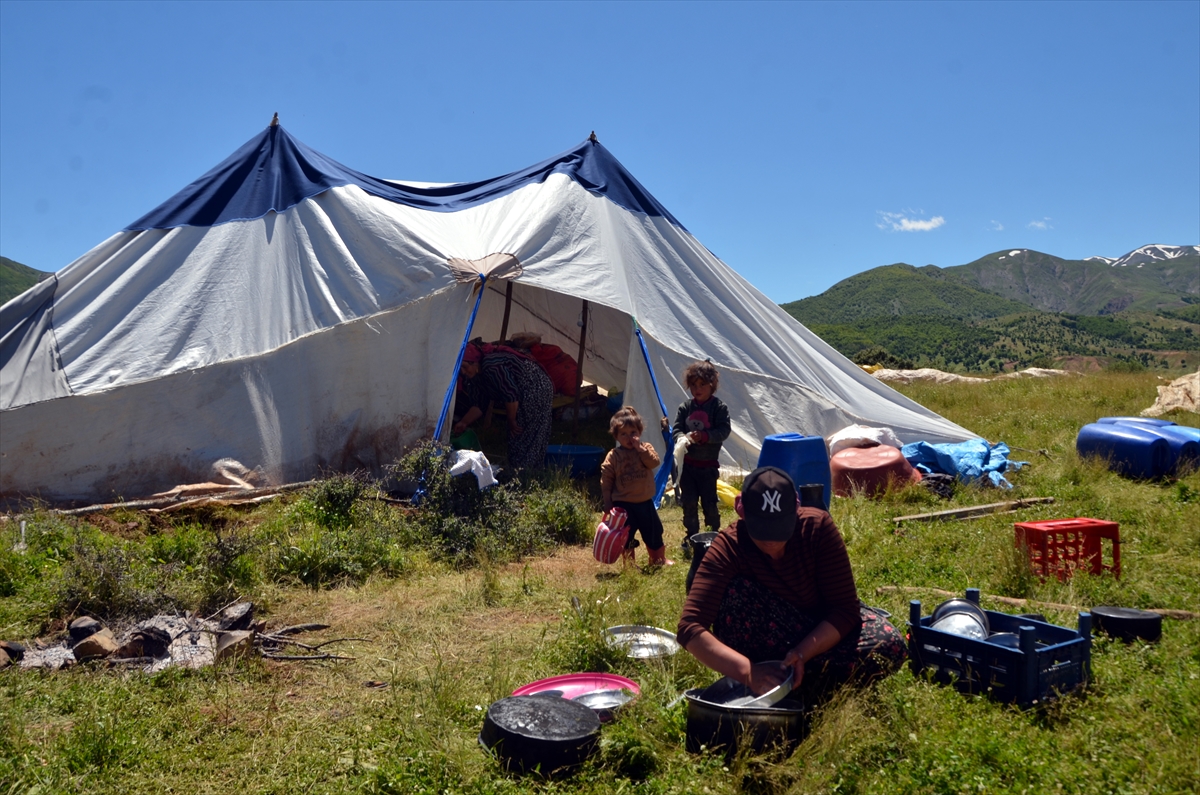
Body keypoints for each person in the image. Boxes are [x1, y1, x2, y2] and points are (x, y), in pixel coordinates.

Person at [676, 466, 906, 703]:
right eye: (762, 530)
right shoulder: (728, 547)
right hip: (764, 642)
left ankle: (798, 681)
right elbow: (690, 627)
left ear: (796, 512)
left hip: (816, 632)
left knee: (890, 644)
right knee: (733, 592)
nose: (771, 540)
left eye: (779, 529)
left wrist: (801, 653)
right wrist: (749, 672)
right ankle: (777, 679)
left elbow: (845, 609)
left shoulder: (817, 528)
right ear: (741, 511)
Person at [451, 341, 554, 472]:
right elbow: (479, 404)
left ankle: (528, 472)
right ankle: (519, 470)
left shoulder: (491, 366)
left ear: (475, 362)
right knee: (516, 437)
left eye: (465, 367)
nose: (463, 372)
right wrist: (464, 422)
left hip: (535, 386)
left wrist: (512, 420)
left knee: (526, 430)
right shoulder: (473, 377)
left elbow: (510, 394)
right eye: (461, 369)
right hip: (519, 393)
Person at [601, 407, 674, 567]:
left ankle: (658, 559)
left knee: (654, 531)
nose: (629, 438)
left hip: (645, 502)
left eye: (633, 432)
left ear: (640, 432)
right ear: (617, 436)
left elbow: (654, 462)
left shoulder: (645, 448)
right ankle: (629, 564)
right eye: (624, 434)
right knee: (626, 536)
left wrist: (640, 449)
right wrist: (608, 502)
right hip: (623, 505)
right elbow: (606, 480)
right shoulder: (614, 456)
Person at [669, 360, 731, 550]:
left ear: (712, 384)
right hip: (688, 466)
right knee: (688, 502)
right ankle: (692, 536)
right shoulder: (685, 407)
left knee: (709, 502)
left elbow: (724, 431)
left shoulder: (719, 408)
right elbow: (677, 430)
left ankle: (713, 534)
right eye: (694, 385)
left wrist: (705, 436)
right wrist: (683, 438)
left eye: (702, 384)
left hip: (708, 466)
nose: (697, 389)